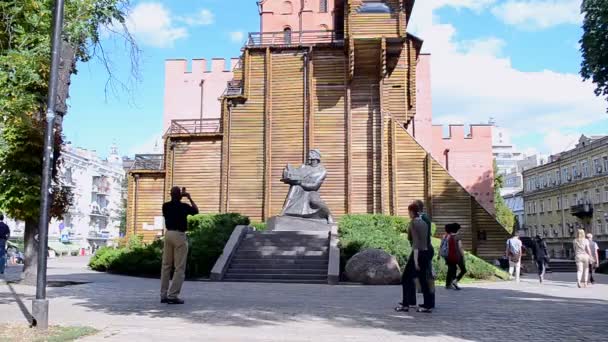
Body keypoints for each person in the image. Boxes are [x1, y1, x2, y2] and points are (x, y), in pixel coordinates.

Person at [160, 187, 199, 304]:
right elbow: (196, 211)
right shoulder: (184, 207)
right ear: (180, 195)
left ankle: (163, 295)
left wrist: (180, 196)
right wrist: (189, 197)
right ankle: (172, 296)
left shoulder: (165, 206)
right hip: (179, 236)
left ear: (171, 195)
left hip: (168, 234)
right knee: (179, 267)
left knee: (166, 265)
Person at [395, 203, 435, 313]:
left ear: (412, 211)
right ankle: (428, 304)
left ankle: (406, 304)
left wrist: (416, 260)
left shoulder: (414, 222)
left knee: (406, 278)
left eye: (409, 212)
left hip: (419, 252)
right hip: (427, 250)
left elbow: (416, 242)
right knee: (424, 278)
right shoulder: (425, 220)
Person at [441, 223, 466, 290]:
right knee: (463, 270)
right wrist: (463, 255)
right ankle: (455, 281)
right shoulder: (457, 237)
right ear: (457, 229)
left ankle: (448, 284)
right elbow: (460, 247)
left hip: (448, 256)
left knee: (451, 270)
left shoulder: (446, 236)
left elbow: (442, 246)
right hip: (457, 256)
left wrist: (439, 254)